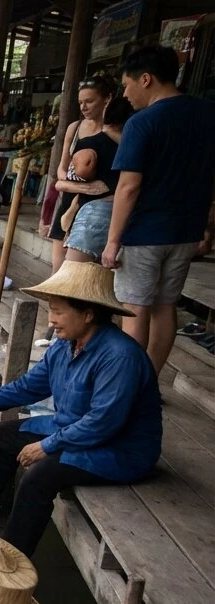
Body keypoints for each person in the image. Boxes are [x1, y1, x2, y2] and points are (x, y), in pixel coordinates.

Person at [0, 262, 161, 556]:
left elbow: (103, 423)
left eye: (58, 311)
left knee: (39, 475)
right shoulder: (64, 345)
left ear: (88, 314)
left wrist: (47, 445)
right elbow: (26, 388)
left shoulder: (120, 356)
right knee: (1, 436)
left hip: (117, 449)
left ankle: (12, 556)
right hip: (71, 431)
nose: (51, 320)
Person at [104, 44, 215, 375]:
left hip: (144, 233)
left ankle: (128, 385)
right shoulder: (209, 114)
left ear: (146, 79)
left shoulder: (142, 122)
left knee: (135, 307)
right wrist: (209, 225)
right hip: (187, 231)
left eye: (127, 84)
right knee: (165, 305)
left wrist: (112, 241)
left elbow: (128, 187)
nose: (125, 93)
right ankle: (148, 378)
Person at [46, 77, 117, 272]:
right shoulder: (75, 128)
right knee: (57, 270)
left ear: (107, 99)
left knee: (81, 272)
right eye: (80, 102)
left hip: (99, 207)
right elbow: (61, 170)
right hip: (72, 200)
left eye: (89, 101)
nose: (84, 107)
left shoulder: (118, 130)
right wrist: (80, 187)